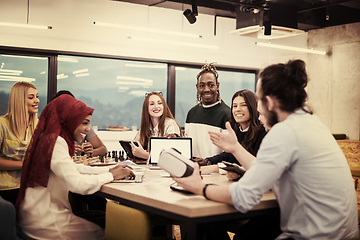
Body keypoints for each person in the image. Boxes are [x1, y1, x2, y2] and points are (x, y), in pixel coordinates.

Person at [174, 59, 359, 239]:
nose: (258, 112)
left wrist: (199, 187)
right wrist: (235, 148)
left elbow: (243, 197)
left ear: (269, 103)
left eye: (258, 101)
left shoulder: (284, 132)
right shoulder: (310, 123)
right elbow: (262, 168)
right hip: (343, 231)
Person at [16, 94, 134, 240]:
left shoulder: (51, 138)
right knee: (109, 232)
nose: (88, 129)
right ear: (69, 120)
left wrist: (109, 170)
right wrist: (111, 176)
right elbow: (78, 185)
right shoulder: (56, 142)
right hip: (46, 222)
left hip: (34, 216)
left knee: (104, 221)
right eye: (84, 123)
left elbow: (75, 168)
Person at [196, 90, 267, 176]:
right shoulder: (237, 129)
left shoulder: (263, 132)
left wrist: (216, 168)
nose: (238, 109)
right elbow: (228, 155)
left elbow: (255, 165)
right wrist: (207, 161)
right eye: (235, 106)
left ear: (253, 107)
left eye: (243, 105)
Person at [0, 81, 39, 206]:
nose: (37, 100)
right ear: (19, 100)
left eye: (37, 96)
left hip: (30, 185)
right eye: (31, 97)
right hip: (6, 188)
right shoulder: (2, 124)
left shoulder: (37, 126)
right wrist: (24, 164)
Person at [185, 62, 231, 159]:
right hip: (193, 169)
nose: (206, 89)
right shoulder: (191, 113)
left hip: (216, 171)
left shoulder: (227, 114)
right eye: (202, 85)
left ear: (217, 86)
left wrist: (209, 163)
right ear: (197, 87)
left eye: (211, 85)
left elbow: (229, 152)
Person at [52, 90, 107, 157]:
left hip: (79, 166)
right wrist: (67, 151)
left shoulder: (83, 125)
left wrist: (92, 152)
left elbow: (103, 149)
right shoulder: (50, 128)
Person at [131, 91, 183, 160]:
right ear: (146, 108)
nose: (156, 106)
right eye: (152, 104)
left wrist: (144, 155)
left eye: (160, 103)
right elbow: (135, 144)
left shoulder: (170, 124)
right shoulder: (146, 126)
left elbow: (170, 158)